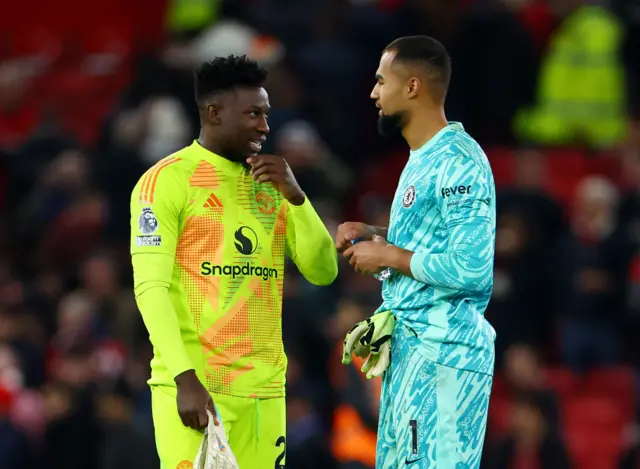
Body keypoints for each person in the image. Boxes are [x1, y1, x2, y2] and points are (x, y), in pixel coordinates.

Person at [130, 54, 338, 469]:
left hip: (265, 395)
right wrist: (183, 377)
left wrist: (298, 198)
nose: (264, 125)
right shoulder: (166, 181)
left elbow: (323, 270)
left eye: (266, 114)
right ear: (213, 112)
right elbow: (150, 289)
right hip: (198, 391)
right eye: (253, 114)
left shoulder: (270, 184)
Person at [337, 36, 497, 468]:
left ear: (411, 87)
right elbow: (438, 242)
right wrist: (375, 233)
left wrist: (387, 255)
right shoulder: (422, 157)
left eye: (380, 81)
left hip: (445, 355)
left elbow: (473, 267)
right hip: (411, 352)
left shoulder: (459, 160)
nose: (373, 93)